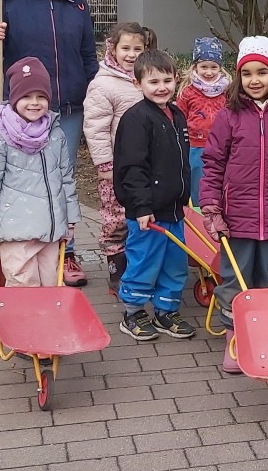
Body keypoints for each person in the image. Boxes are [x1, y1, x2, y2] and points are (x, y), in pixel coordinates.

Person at [0, 0, 98, 287]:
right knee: (23, 181)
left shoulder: (76, 3)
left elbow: (88, 57)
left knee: (60, 180)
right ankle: (19, 248)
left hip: (68, 109)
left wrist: (94, 95)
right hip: (24, 112)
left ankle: (65, 252)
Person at [198, 36, 268, 373]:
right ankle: (235, 340)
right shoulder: (229, 116)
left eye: (261, 72)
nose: (254, 80)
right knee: (235, 282)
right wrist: (212, 209)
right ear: (238, 77)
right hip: (237, 219)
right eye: (246, 73)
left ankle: (267, 339)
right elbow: (213, 165)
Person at [0, 57, 79, 287]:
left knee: (50, 285)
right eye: (26, 96)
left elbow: (66, 179)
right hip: (16, 230)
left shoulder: (54, 134)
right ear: (14, 98)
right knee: (23, 286)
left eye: (41, 97)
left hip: (50, 228)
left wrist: (70, 219)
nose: (34, 103)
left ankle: (45, 313)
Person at [112, 50, 194, 341]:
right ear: (138, 84)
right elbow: (132, 168)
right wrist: (141, 205)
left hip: (174, 208)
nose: (162, 87)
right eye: (153, 82)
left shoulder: (177, 115)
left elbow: (182, 161)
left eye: (167, 81)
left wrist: (185, 194)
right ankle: (133, 312)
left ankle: (166, 311)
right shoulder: (136, 119)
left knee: (175, 263)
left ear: (176, 80)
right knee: (144, 261)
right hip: (147, 211)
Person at [82, 22, 159, 296]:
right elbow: (95, 127)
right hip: (116, 168)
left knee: (143, 216)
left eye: (138, 49)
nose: (131, 54)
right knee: (116, 219)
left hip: (147, 166)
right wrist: (105, 164)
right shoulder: (103, 84)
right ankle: (117, 269)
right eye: (125, 48)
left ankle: (142, 268)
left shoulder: (149, 78)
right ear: (112, 49)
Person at [175, 37, 230, 204]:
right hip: (195, 146)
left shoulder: (227, 91)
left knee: (220, 180)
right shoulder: (187, 92)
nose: (209, 72)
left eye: (214, 67)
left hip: (221, 146)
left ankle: (219, 209)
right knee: (197, 182)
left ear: (220, 68)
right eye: (204, 67)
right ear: (195, 67)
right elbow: (180, 118)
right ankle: (198, 211)